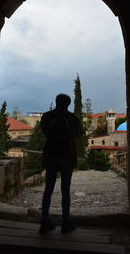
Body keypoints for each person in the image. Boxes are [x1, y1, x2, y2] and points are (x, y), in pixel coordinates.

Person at [39, 93, 84, 234]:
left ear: (56, 101)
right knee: (65, 190)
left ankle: (44, 221)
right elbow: (80, 133)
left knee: (48, 189)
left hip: (51, 156)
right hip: (66, 157)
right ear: (68, 104)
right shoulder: (72, 118)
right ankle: (65, 222)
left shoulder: (47, 116)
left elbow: (45, 131)